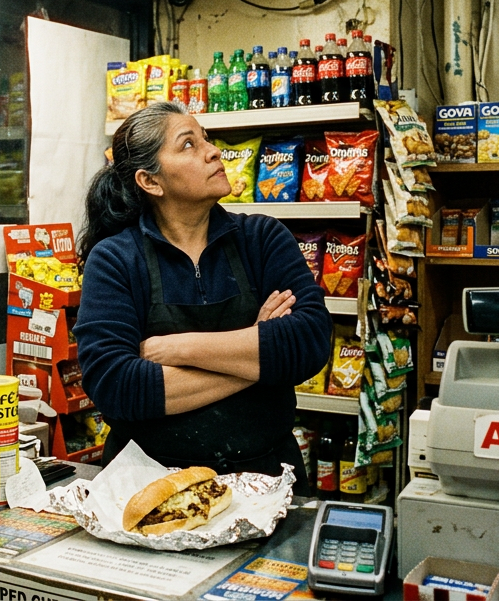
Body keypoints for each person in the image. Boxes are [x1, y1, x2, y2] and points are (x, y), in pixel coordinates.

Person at [73, 102, 331, 495]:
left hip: (266, 483)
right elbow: (118, 386)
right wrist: (259, 355)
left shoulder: (262, 239)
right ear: (151, 181)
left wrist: (177, 349)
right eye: (188, 144)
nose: (213, 151)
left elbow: (309, 342)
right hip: (150, 487)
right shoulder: (116, 259)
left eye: (206, 139)